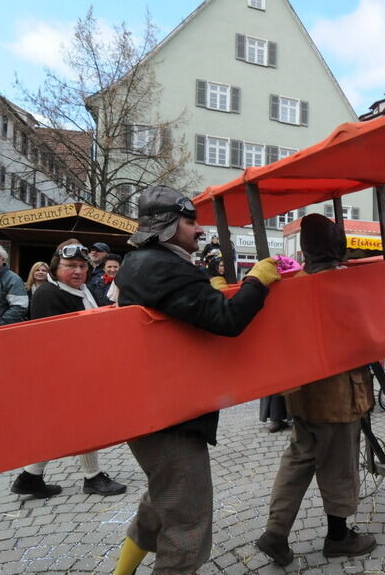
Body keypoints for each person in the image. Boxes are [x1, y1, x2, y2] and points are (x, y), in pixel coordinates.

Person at [111, 186, 279, 575]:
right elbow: (228, 321)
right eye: (190, 221)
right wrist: (258, 280)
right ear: (169, 226)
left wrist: (209, 290)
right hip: (170, 412)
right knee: (188, 523)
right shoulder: (163, 265)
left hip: (152, 403)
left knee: (160, 501)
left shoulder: (140, 260)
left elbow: (190, 309)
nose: (198, 230)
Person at [256, 213, 376, 567]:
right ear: (337, 246)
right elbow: (365, 337)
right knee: (339, 467)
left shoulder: (290, 284)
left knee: (297, 463)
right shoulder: (344, 286)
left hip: (302, 394)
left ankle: (275, 533)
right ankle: (339, 537)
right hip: (339, 395)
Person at [10, 240, 127, 499]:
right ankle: (92, 477)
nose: (77, 271)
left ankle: (30, 476)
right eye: (70, 265)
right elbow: (61, 341)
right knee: (83, 424)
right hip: (65, 373)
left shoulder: (79, 289)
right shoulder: (50, 295)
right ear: (56, 267)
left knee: (62, 426)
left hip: (77, 369)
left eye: (82, 266)